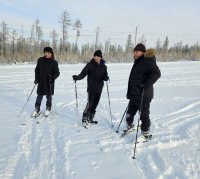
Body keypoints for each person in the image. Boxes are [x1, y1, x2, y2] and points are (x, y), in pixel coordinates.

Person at [126, 43, 161, 138]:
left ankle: (145, 133)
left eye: (137, 52)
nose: (135, 53)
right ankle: (129, 126)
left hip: (144, 94)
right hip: (134, 94)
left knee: (143, 115)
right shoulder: (138, 62)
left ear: (143, 52)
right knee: (130, 112)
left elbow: (157, 73)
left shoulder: (147, 61)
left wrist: (145, 84)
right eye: (134, 52)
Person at [72, 50, 109, 127]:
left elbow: (105, 75)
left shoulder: (104, 66)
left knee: (95, 104)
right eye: (95, 56)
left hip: (99, 88)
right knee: (90, 104)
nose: (96, 58)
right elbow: (83, 74)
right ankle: (85, 118)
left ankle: (91, 117)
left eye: (98, 56)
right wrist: (77, 77)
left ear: (101, 57)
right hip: (91, 88)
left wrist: (106, 77)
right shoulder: (90, 65)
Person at [32, 47, 60, 117]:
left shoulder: (54, 62)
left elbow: (57, 73)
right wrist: (36, 79)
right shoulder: (40, 60)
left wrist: (52, 78)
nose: (47, 54)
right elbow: (37, 70)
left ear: (51, 53)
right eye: (45, 52)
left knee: (49, 97)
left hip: (49, 83)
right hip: (41, 82)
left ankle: (48, 109)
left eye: (48, 53)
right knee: (39, 96)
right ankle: (36, 109)